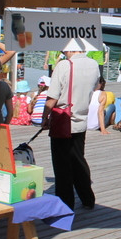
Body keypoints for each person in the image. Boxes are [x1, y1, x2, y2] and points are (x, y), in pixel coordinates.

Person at [44, 38, 100, 209]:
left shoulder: (63, 65)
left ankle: (65, 202)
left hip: (63, 119)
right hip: (81, 119)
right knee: (78, 160)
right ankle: (87, 197)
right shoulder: (93, 65)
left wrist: (44, 117)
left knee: (62, 165)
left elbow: (53, 96)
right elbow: (95, 86)